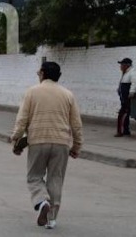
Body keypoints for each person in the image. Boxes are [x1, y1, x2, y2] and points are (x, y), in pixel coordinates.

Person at [11, 62, 83, 230]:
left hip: (38, 141)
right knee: (56, 179)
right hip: (61, 143)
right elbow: (76, 124)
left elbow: (22, 120)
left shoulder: (32, 92)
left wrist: (15, 138)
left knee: (34, 177)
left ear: (43, 73)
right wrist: (77, 146)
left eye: (39, 71)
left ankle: (42, 201)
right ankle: (51, 219)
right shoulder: (68, 95)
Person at [115, 58, 136, 137]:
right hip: (124, 98)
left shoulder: (133, 72)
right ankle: (125, 130)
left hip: (128, 98)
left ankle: (121, 131)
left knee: (123, 114)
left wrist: (132, 92)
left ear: (127, 65)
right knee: (125, 114)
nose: (120, 66)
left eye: (122, 65)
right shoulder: (126, 73)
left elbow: (135, 83)